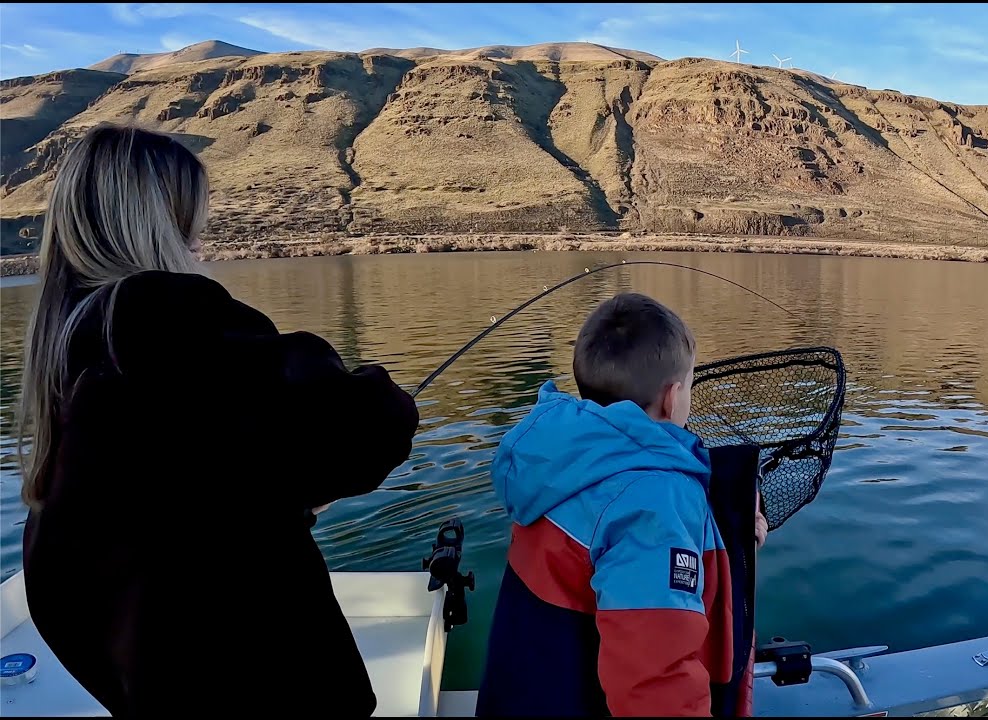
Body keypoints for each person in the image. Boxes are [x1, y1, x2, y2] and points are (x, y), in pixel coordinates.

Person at [17, 124, 419, 716]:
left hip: (159, 678)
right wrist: (379, 393)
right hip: (244, 678)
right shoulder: (161, 313)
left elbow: (183, 479)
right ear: (161, 220)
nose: (198, 239)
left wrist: (269, 497)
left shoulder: (72, 336)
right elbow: (353, 429)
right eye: (191, 220)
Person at [476, 292, 766, 717]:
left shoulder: (556, 456)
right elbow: (654, 676)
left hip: (529, 691)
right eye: (689, 385)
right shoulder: (654, 502)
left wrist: (729, 544)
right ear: (672, 397)